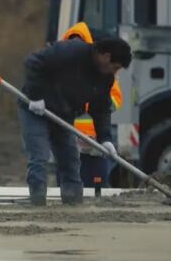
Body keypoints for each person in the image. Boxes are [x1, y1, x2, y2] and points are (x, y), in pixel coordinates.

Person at [19, 37, 131, 206]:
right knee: (39, 155)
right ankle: (37, 201)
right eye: (115, 67)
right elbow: (33, 62)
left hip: (63, 113)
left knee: (70, 158)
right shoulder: (71, 51)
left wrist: (105, 138)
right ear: (106, 56)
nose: (114, 72)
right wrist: (35, 96)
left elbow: (100, 108)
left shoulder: (104, 78)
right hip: (35, 109)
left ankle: (73, 202)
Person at [61, 23, 124, 187]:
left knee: (96, 189)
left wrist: (87, 103)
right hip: (67, 141)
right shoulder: (59, 68)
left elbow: (115, 99)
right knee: (67, 189)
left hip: (95, 143)